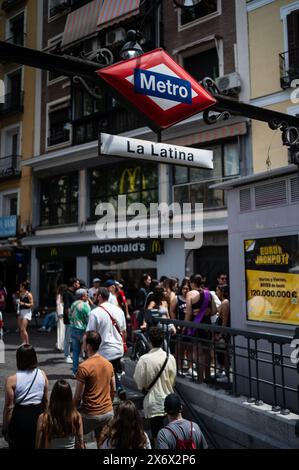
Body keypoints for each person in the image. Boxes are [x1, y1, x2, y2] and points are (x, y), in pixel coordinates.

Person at [133, 327, 177, 444]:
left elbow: (139, 382)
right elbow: (172, 381)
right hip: (169, 401)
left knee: (157, 435)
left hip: (153, 403)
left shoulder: (144, 359)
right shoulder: (170, 358)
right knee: (171, 434)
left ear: (149, 340)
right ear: (163, 341)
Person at [2, 344, 48, 449]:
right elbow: (45, 400)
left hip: (20, 418)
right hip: (38, 416)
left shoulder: (12, 380)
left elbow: (9, 407)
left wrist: (5, 428)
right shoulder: (42, 374)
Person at [74, 330, 115, 448]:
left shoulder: (83, 367)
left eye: (83, 342)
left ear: (88, 346)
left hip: (91, 414)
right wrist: (107, 404)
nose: (82, 344)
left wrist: (72, 410)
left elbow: (77, 397)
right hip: (108, 412)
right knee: (103, 439)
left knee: (75, 433)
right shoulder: (108, 364)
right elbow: (113, 390)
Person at [84, 287, 127, 400]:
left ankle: (112, 394)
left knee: (103, 378)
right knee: (112, 372)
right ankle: (118, 389)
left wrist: (86, 350)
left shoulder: (95, 313)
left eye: (95, 295)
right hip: (118, 349)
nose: (93, 297)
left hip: (104, 351)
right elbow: (124, 332)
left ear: (99, 296)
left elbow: (90, 334)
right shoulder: (119, 310)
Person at [185, 274, 217, 382]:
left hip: (196, 325)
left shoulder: (190, 294)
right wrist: (206, 312)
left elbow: (189, 313)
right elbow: (214, 311)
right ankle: (207, 376)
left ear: (192, 283)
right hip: (206, 325)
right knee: (207, 351)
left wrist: (185, 325)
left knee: (198, 351)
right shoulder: (209, 294)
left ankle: (200, 379)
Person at [36, 379, 84, 449]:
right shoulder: (76, 416)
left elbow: (38, 444)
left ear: (53, 396)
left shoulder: (44, 418)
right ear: (69, 397)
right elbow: (81, 443)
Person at [69, 288, 91, 376]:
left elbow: (70, 315)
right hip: (82, 330)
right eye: (86, 294)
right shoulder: (84, 305)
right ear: (82, 296)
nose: (87, 296)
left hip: (73, 329)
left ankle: (75, 371)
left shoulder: (73, 304)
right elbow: (89, 319)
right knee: (86, 351)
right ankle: (87, 371)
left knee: (75, 352)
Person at [214, 284, 230, 383]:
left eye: (218, 290)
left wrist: (221, 334)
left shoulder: (225, 302)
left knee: (225, 354)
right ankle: (223, 372)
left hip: (223, 333)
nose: (216, 292)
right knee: (221, 353)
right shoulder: (224, 302)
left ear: (222, 291)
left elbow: (224, 320)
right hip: (221, 332)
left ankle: (227, 375)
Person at [63, 278, 80, 364]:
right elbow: (67, 307)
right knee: (68, 338)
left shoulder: (74, 293)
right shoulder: (67, 293)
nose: (79, 285)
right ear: (73, 284)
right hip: (70, 319)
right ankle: (67, 355)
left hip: (75, 319)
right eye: (77, 283)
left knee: (73, 337)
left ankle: (71, 354)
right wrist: (70, 318)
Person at [56, 284, 67, 351]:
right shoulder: (61, 296)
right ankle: (61, 345)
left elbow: (58, 305)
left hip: (61, 314)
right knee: (63, 330)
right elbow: (59, 304)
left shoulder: (59, 295)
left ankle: (60, 345)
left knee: (60, 330)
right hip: (62, 314)